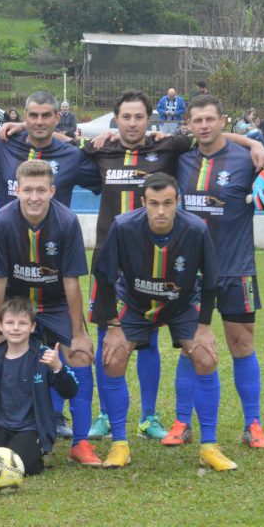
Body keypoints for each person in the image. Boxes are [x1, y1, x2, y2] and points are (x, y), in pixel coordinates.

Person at [78, 90, 264, 442]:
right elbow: (57, 143)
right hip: (110, 258)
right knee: (109, 337)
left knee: (148, 337)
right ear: (115, 120)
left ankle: (149, 416)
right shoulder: (100, 149)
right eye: (126, 117)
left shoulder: (169, 147)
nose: (132, 123)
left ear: (149, 119)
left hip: (154, 259)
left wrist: (252, 142)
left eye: (139, 117)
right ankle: (105, 415)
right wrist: (15, 127)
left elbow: (209, 134)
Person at [176, 94, 264, 452]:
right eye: (197, 120)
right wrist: (253, 139)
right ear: (188, 125)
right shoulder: (181, 158)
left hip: (236, 270)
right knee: (190, 346)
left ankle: (253, 424)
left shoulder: (248, 162)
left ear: (223, 121)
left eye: (210, 119)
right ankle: (181, 423)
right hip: (192, 275)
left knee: (242, 344)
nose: (204, 125)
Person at [93, 172, 234, 470]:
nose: (160, 211)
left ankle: (209, 446)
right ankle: (120, 444)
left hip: (181, 303)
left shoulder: (195, 229)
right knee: (112, 359)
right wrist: (113, 327)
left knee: (206, 358)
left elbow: (211, 279)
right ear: (143, 202)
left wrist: (204, 327)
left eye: (167, 203)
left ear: (177, 202)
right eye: (154, 203)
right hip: (134, 303)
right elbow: (103, 276)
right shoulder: (123, 226)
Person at [0, 160, 98, 466]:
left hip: (55, 302)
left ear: (52, 191)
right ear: (17, 190)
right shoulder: (3, 221)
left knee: (80, 355)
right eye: (28, 190)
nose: (34, 197)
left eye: (41, 190)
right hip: (15, 301)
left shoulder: (67, 221)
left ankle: (81, 442)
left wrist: (79, 333)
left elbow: (72, 282)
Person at [0, 297, 79, 475]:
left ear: (32, 327)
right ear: (0, 326)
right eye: (10, 323)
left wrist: (58, 368)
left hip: (32, 428)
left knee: (18, 464)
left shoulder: (43, 356)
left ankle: (39, 453)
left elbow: (70, 392)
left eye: (22, 323)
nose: (16, 328)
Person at [0, 91, 101, 210]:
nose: (39, 122)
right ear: (25, 117)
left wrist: (112, 136)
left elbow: (109, 172)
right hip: (8, 223)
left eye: (46, 115)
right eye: (33, 115)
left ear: (57, 118)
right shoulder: (2, 144)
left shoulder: (72, 156)